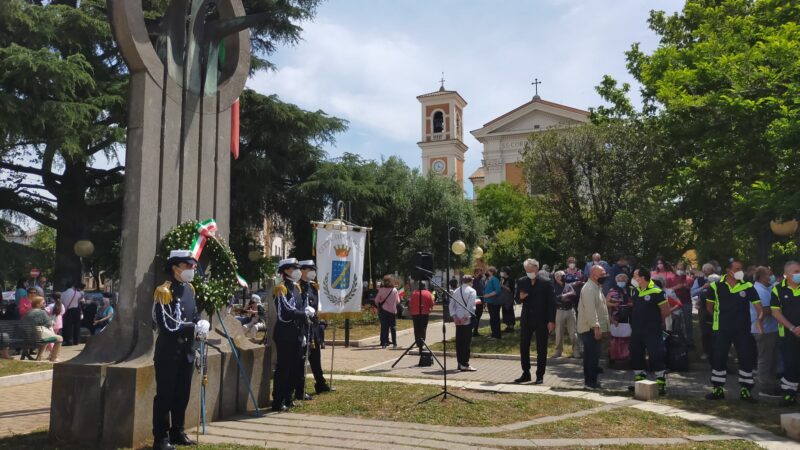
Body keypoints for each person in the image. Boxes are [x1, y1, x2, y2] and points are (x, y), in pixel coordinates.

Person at [151, 250, 203, 450]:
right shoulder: (164, 291)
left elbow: (194, 314)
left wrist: (200, 323)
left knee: (182, 393)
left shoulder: (189, 289)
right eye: (188, 266)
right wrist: (193, 326)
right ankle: (161, 438)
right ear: (175, 267)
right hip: (168, 352)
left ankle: (177, 431)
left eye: (192, 266)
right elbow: (167, 326)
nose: (192, 269)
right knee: (165, 395)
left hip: (187, 351)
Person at [705, 259, 763, 402]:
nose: (739, 272)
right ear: (728, 270)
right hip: (721, 328)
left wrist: (759, 319)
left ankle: (746, 390)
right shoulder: (716, 287)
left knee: (745, 357)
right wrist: (721, 318)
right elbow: (709, 307)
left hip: (742, 329)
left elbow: (758, 306)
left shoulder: (747, 286)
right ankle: (718, 389)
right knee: (719, 357)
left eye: (741, 269)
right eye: (737, 269)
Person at [272, 258, 314, 411]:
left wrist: (304, 328)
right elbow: (285, 313)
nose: (297, 270)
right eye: (293, 268)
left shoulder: (296, 288)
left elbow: (301, 306)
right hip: (284, 334)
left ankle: (289, 398)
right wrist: (303, 314)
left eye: (298, 267)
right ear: (285, 271)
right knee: (284, 368)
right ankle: (278, 400)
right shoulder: (280, 288)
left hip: (296, 333)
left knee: (295, 368)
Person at [628, 268, 670, 395]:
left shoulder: (657, 291)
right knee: (636, 355)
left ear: (642, 277)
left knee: (656, 355)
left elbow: (666, 311)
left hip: (652, 330)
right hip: (636, 330)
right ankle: (639, 382)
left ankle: (661, 384)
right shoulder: (635, 291)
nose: (633, 278)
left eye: (635, 276)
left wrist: (656, 323)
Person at [514, 259, 556, 384]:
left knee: (541, 348)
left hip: (542, 320)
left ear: (537, 269)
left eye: (531, 271)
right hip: (527, 319)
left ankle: (540, 375)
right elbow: (516, 298)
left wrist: (551, 320)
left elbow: (552, 303)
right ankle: (526, 373)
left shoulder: (546, 283)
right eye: (527, 271)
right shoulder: (522, 281)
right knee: (523, 347)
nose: (529, 273)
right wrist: (520, 298)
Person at [768, 261, 800, 406]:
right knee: (790, 363)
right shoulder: (778, 289)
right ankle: (789, 394)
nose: (799, 274)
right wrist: (793, 328)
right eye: (796, 271)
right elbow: (775, 312)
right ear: (786, 274)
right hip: (787, 334)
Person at [299, 260, 330, 395]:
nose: (313, 272)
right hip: (303, 327)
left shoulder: (313, 287)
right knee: (301, 360)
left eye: (313, 269)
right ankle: (300, 388)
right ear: (302, 271)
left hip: (314, 327)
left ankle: (320, 383)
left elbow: (317, 306)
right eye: (310, 269)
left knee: (316, 357)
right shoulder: (297, 286)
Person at [577, 265, 610, 389]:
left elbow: (600, 308)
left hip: (594, 328)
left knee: (594, 356)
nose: (604, 276)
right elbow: (591, 310)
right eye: (602, 274)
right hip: (590, 329)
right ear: (593, 274)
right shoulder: (589, 288)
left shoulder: (596, 287)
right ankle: (590, 383)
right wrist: (596, 327)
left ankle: (592, 381)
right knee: (591, 356)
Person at [752, 266, 781, 398]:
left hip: (771, 329)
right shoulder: (758, 290)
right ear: (762, 277)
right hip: (764, 330)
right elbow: (763, 311)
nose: (771, 276)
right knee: (765, 359)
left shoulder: (766, 288)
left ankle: (772, 384)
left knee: (772, 359)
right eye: (769, 274)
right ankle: (765, 387)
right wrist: (778, 310)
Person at [450, 275, 477, 371]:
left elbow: (451, 305)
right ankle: (465, 363)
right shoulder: (472, 291)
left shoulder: (456, 291)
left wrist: (454, 316)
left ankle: (460, 363)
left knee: (459, 342)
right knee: (466, 342)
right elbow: (470, 305)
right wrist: (465, 317)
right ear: (470, 281)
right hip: (467, 319)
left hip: (457, 318)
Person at [23, 296, 62, 362]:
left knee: (46, 338)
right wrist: (51, 322)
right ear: (38, 304)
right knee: (59, 338)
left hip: (28, 338)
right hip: (38, 338)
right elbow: (48, 324)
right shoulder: (42, 312)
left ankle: (39, 357)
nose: (45, 304)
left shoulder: (28, 313)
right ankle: (53, 357)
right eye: (43, 303)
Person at [553, 271, 579, 358]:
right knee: (559, 332)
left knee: (573, 332)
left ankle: (576, 351)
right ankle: (558, 351)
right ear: (557, 278)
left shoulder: (568, 285)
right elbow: (557, 299)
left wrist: (565, 295)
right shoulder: (553, 287)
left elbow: (574, 294)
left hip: (570, 311)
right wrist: (564, 297)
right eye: (562, 276)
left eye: (564, 275)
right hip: (560, 311)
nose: (564, 277)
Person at [671, 261, 694, 346]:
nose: (679, 270)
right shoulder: (671, 278)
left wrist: (686, 286)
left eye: (681, 269)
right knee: (676, 324)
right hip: (675, 304)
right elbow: (667, 289)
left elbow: (690, 287)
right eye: (678, 268)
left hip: (686, 303)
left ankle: (690, 342)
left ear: (684, 270)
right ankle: (677, 341)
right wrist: (676, 287)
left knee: (688, 323)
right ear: (676, 268)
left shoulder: (689, 278)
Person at [375, 275, 401, 349]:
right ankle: (395, 343)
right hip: (392, 311)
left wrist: (380, 304)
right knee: (393, 327)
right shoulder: (395, 290)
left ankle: (383, 344)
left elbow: (376, 301)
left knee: (384, 327)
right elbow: (398, 301)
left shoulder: (381, 290)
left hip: (383, 311)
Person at [409, 280, 434, 351]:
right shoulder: (428, 293)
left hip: (415, 313)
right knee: (423, 328)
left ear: (418, 286)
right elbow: (432, 304)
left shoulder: (414, 293)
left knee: (416, 328)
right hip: (424, 313)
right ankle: (422, 342)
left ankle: (417, 342)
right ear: (424, 286)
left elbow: (410, 303)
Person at [483, 267, 503, 339]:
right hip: (490, 302)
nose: (486, 272)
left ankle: (497, 335)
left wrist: (488, 295)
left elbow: (498, 290)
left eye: (487, 271)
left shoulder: (494, 279)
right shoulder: (488, 280)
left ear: (491, 272)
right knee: (492, 319)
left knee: (495, 319)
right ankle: (493, 334)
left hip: (495, 302)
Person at [499, 266, 516, 332]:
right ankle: (508, 326)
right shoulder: (503, 279)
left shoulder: (511, 279)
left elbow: (511, 290)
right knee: (505, 312)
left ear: (506, 272)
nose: (502, 272)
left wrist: (502, 286)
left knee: (509, 312)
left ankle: (511, 326)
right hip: (503, 299)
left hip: (509, 299)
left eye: (503, 271)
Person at [471, 268, 485, 337]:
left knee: (478, 316)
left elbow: (483, 289)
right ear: (475, 273)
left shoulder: (482, 280)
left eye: (481, 272)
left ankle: (475, 331)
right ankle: (471, 330)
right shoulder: (472, 280)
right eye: (479, 272)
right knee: (474, 316)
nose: (481, 273)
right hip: (475, 299)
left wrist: (484, 301)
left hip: (481, 300)